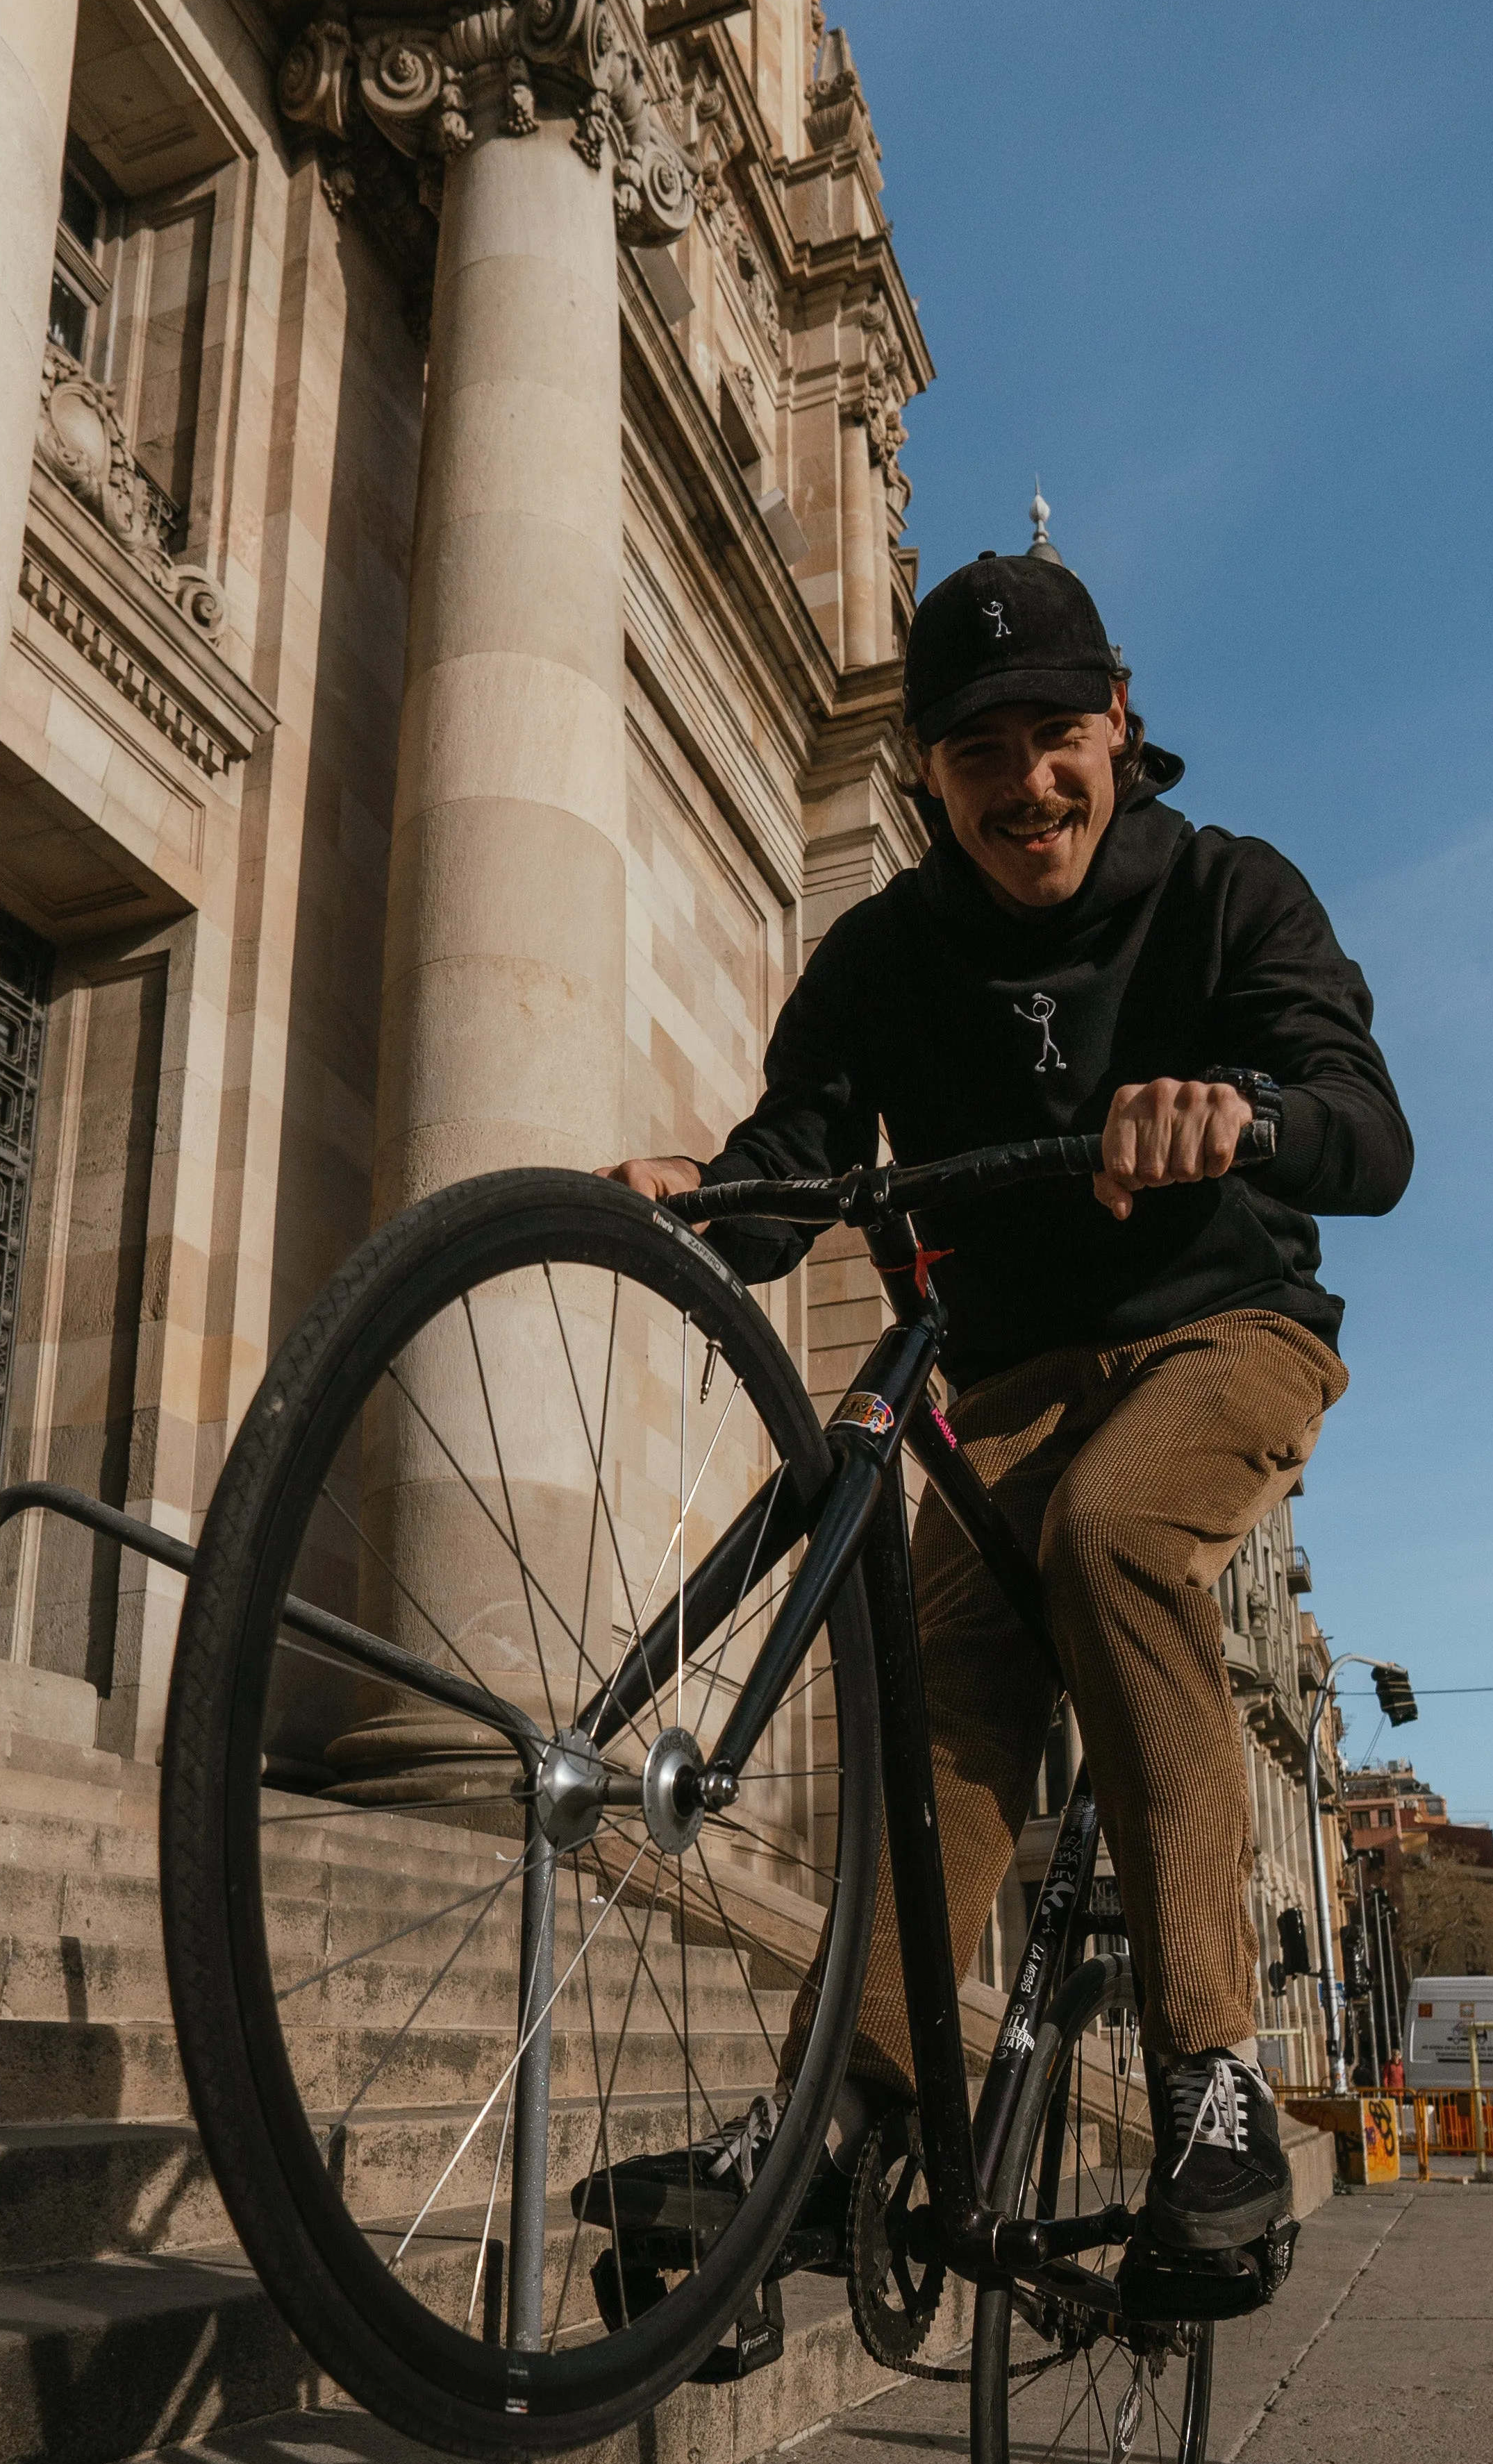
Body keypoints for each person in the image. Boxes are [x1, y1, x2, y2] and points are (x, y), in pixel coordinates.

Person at [601, 533, 1411, 2254]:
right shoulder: (880, 955)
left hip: (1221, 1331)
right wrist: (697, 1194)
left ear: (1118, 724)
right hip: (1009, 1386)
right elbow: (789, 1165)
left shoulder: (1224, 892)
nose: (1024, 783)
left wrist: (1237, 1115)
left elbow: (1369, 1132)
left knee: (1115, 1537)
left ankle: (1210, 2083)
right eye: (978, 752)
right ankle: (858, 2120)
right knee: (943, 1689)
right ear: (927, 777)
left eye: (1054, 734)